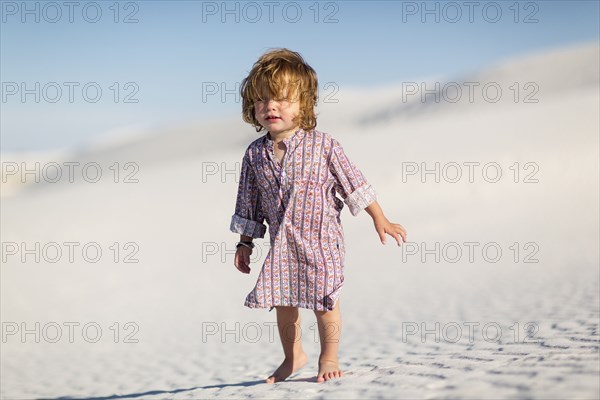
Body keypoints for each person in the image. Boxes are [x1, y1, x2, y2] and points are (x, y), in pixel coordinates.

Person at [229, 48, 407, 384]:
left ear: (304, 105)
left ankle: (329, 356)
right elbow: (248, 203)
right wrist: (244, 243)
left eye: (282, 98)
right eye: (261, 99)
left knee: (324, 302)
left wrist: (379, 218)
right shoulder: (254, 155)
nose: (271, 106)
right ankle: (293, 356)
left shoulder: (324, 145)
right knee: (283, 303)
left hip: (322, 243)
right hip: (282, 246)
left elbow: (354, 183)